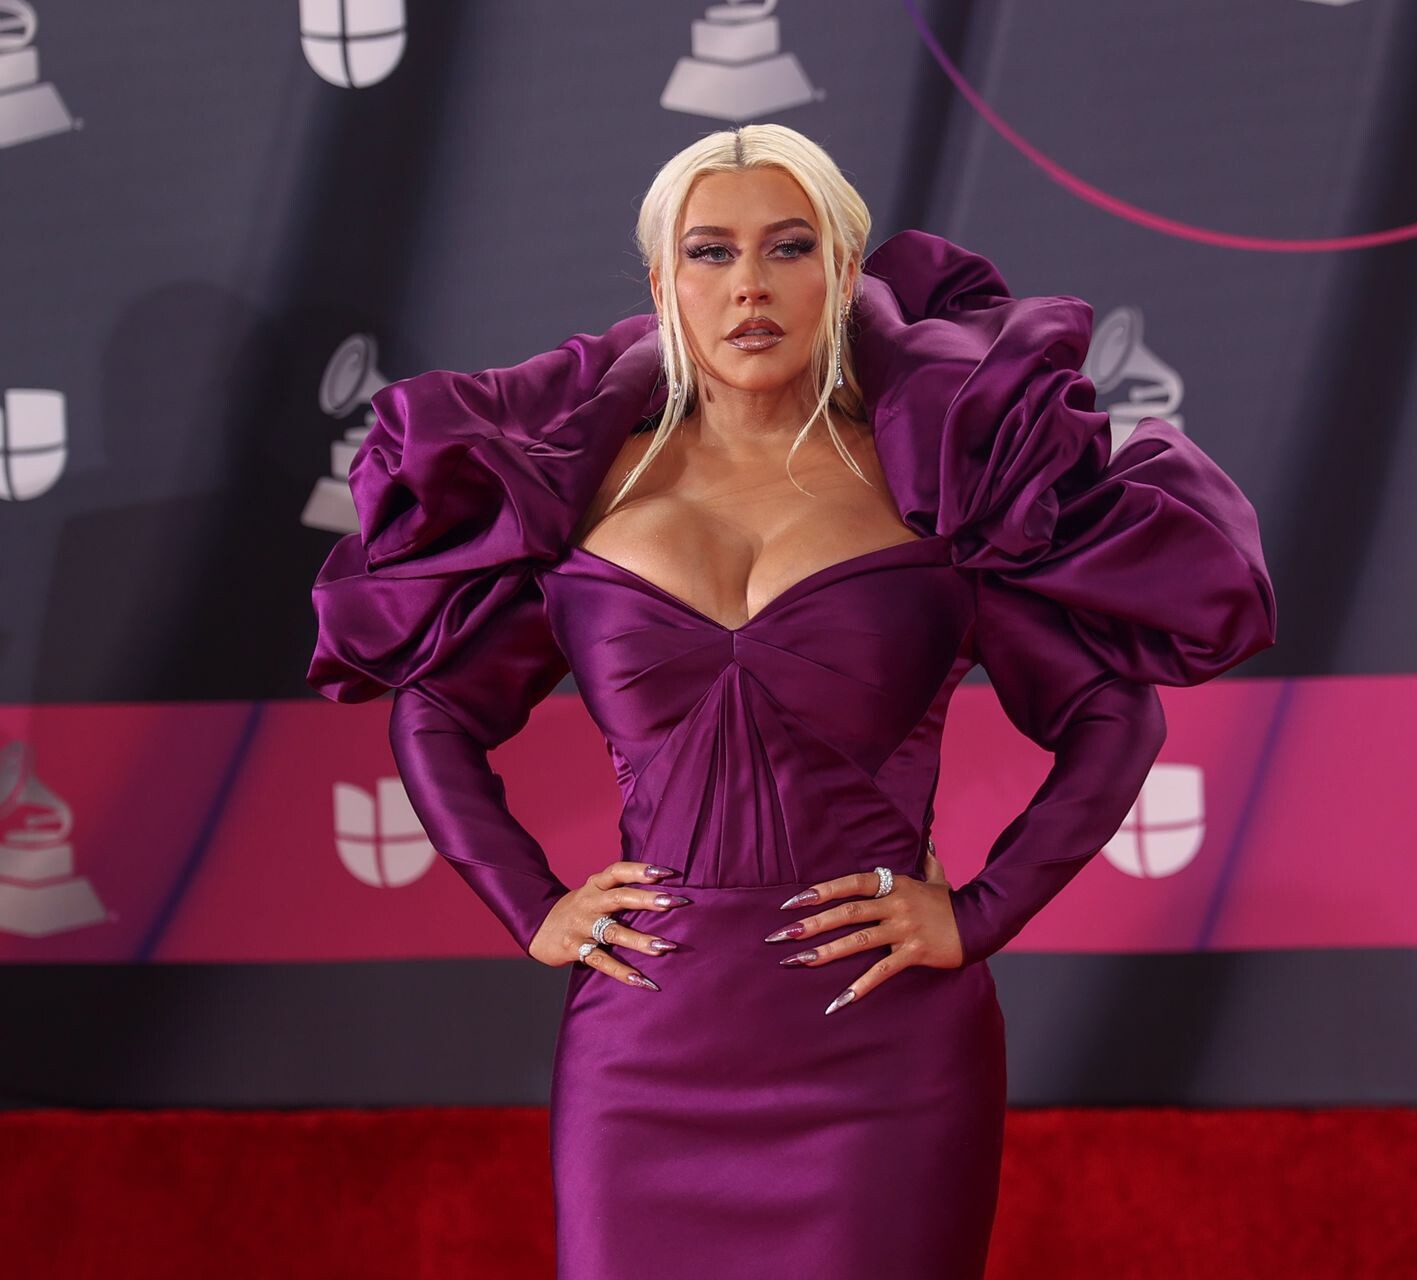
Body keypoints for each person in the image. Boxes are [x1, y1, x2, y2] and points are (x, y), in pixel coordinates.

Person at [307, 123, 1276, 1280]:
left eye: (788, 246)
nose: (749, 286)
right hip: (644, 1048)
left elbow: (1116, 716)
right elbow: (435, 709)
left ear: (846, 272)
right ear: (662, 283)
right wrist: (533, 905)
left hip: (884, 1050)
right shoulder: (580, 499)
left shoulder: (933, 489)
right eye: (710, 251)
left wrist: (977, 913)